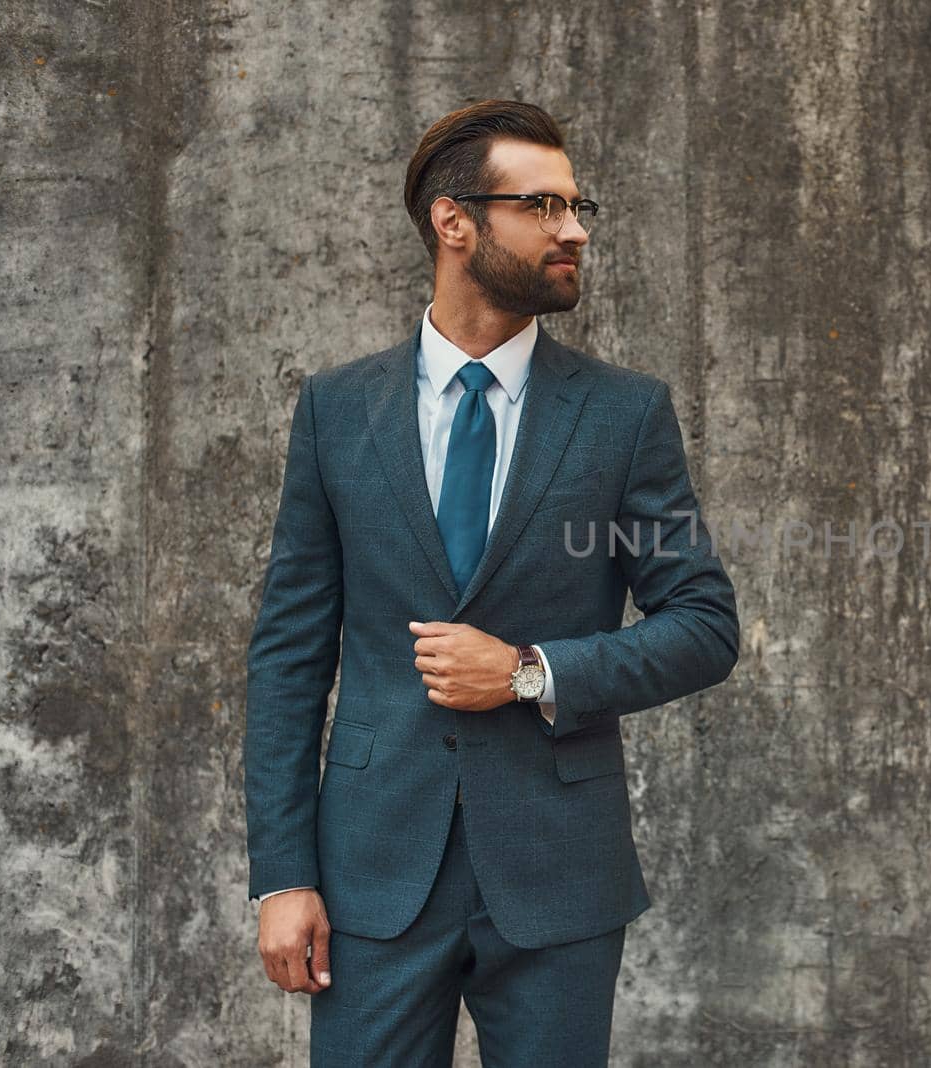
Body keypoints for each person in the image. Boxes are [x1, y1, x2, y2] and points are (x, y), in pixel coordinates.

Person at [243, 99, 739, 1066]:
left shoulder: (624, 415)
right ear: (454, 221)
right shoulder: (338, 412)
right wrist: (281, 877)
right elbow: (289, 659)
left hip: (558, 872)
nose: (576, 229)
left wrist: (528, 671)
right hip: (372, 874)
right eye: (543, 205)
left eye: (575, 204)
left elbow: (705, 623)